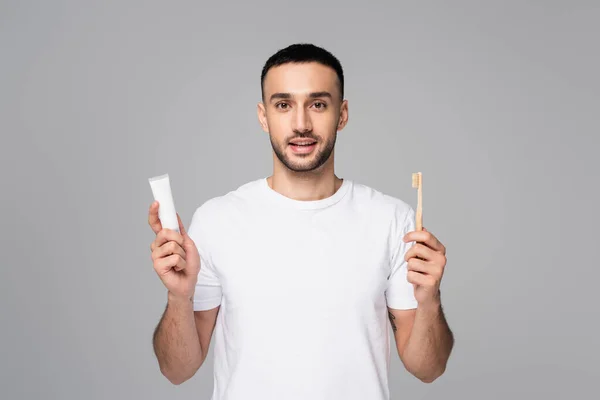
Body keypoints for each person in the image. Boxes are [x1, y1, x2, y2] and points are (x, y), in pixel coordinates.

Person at [148, 43, 454, 400]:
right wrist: (178, 297)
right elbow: (176, 370)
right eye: (283, 105)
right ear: (263, 117)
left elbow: (428, 369)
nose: (301, 124)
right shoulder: (217, 221)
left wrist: (430, 299)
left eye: (318, 104)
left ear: (342, 114)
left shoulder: (392, 220)